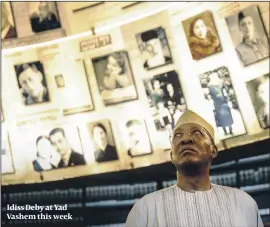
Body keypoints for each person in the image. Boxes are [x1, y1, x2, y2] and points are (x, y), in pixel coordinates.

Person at [126, 110, 263, 227]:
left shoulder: (243, 203)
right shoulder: (146, 209)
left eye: (197, 133)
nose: (185, 140)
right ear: (172, 156)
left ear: (213, 150)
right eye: (177, 136)